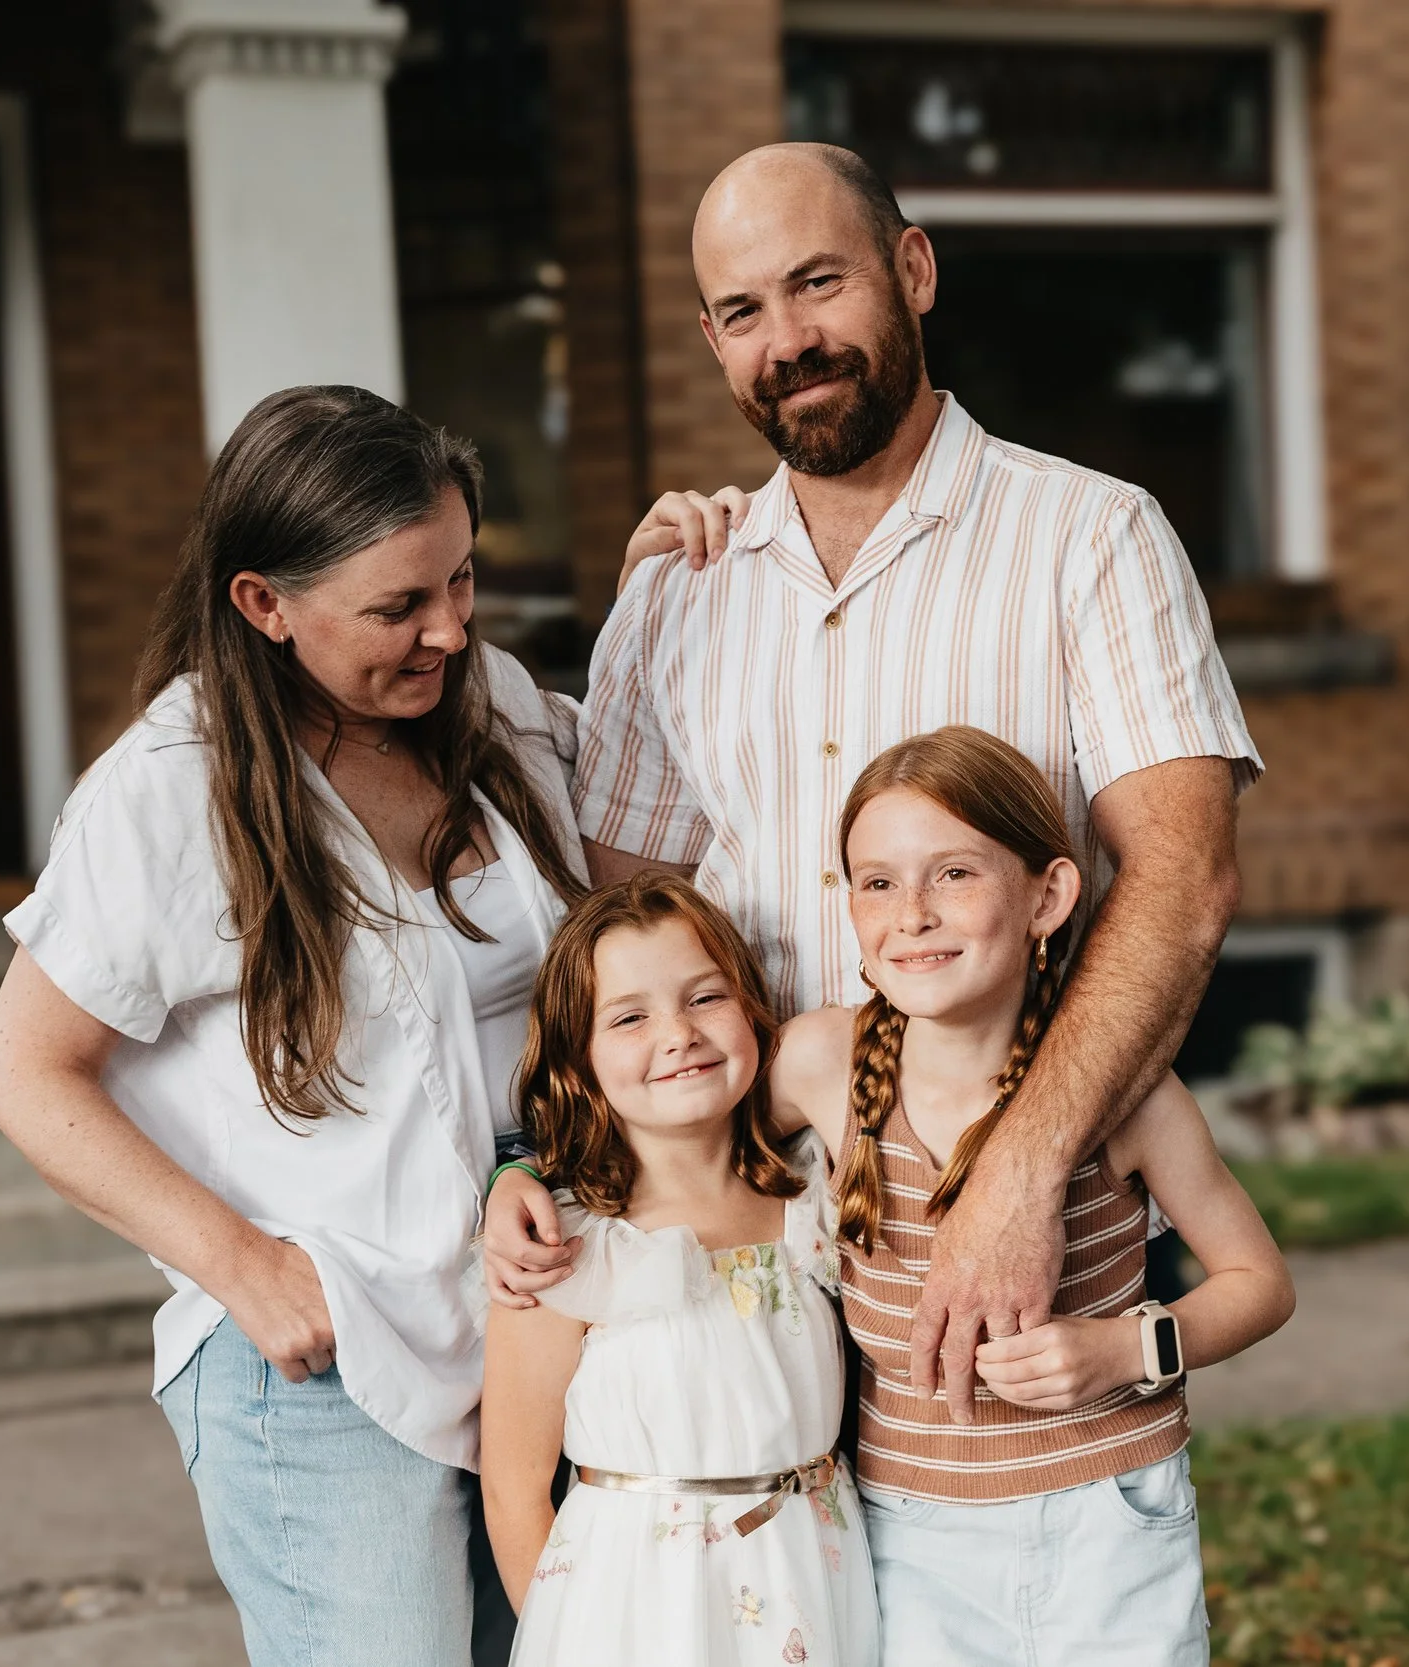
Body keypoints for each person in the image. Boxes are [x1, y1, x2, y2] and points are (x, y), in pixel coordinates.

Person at [487, 141, 1263, 1422]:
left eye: (817, 284)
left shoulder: (1090, 536)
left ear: (912, 269)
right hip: (748, 1250)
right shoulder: (676, 594)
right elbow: (616, 941)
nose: (786, 339)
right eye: (743, 312)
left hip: (1018, 1219)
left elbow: (1183, 879)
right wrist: (542, 1166)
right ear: (711, 337)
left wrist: (1013, 1179)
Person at [0, 386, 586, 1667]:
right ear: (264, 603)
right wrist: (241, 1263)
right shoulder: (167, 790)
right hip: (326, 1369)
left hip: (537, 1333)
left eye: (463, 578)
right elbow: (29, 1074)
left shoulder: (501, 708)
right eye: (398, 606)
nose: (450, 628)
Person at [771, 727, 1294, 1663]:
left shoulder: (1125, 1095)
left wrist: (1127, 1347)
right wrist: (526, 1172)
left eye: (956, 874)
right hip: (907, 1528)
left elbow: (1260, 1280)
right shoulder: (823, 1062)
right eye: (877, 882)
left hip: (1110, 1516)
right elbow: (669, 1143)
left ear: (1046, 896)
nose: (913, 914)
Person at [479, 873, 877, 1667]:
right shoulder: (567, 1247)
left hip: (812, 1574)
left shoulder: (813, 1201)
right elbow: (515, 1486)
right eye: (630, 1016)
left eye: (705, 998)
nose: (678, 1033)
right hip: (638, 1607)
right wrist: (565, 1630)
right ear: (580, 1062)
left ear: (752, 1010)